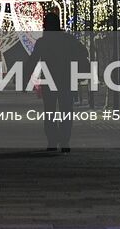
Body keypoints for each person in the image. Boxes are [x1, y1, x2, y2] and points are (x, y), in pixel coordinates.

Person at [31, 10, 89, 152]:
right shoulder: (68, 39)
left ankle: (52, 141)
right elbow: (84, 52)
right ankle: (64, 141)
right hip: (66, 79)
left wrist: (24, 76)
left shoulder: (42, 42)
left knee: (49, 111)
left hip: (49, 80)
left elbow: (32, 60)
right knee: (66, 111)